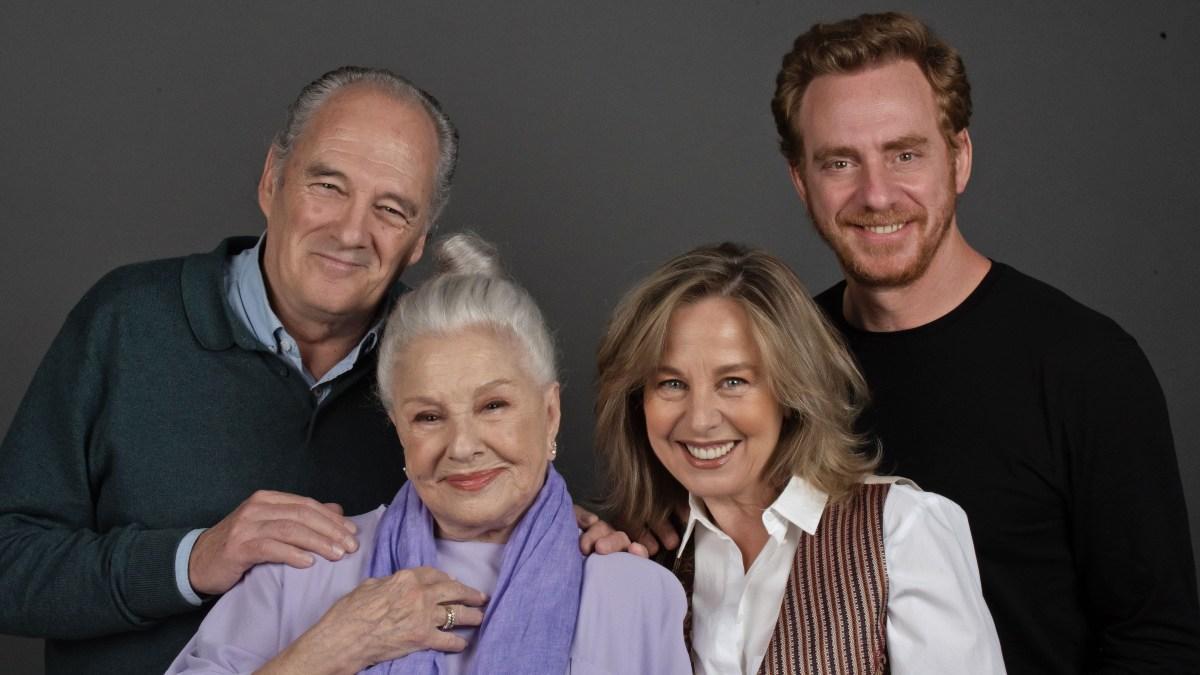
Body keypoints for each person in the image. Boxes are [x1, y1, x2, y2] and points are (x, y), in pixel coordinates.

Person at [0, 66, 624, 675]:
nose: (351, 231)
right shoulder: (127, 322)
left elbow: (487, 497)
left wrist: (545, 523)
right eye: (328, 185)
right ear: (272, 180)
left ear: (419, 239)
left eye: (391, 209)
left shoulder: (436, 365)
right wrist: (192, 560)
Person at [769, 12, 1200, 673]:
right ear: (802, 180)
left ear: (960, 158)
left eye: (905, 154)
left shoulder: (1086, 366)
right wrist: (624, 543)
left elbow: (1157, 643)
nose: (876, 194)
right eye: (840, 162)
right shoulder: (776, 363)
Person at [166, 232, 691, 674]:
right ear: (399, 429)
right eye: (429, 417)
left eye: (493, 406)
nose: (462, 446)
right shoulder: (304, 567)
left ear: (550, 413)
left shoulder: (634, 594)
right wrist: (331, 647)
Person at [595, 242, 1004, 674]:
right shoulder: (641, 561)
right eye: (671, 384)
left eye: (733, 381)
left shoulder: (901, 532)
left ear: (791, 393)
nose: (700, 419)